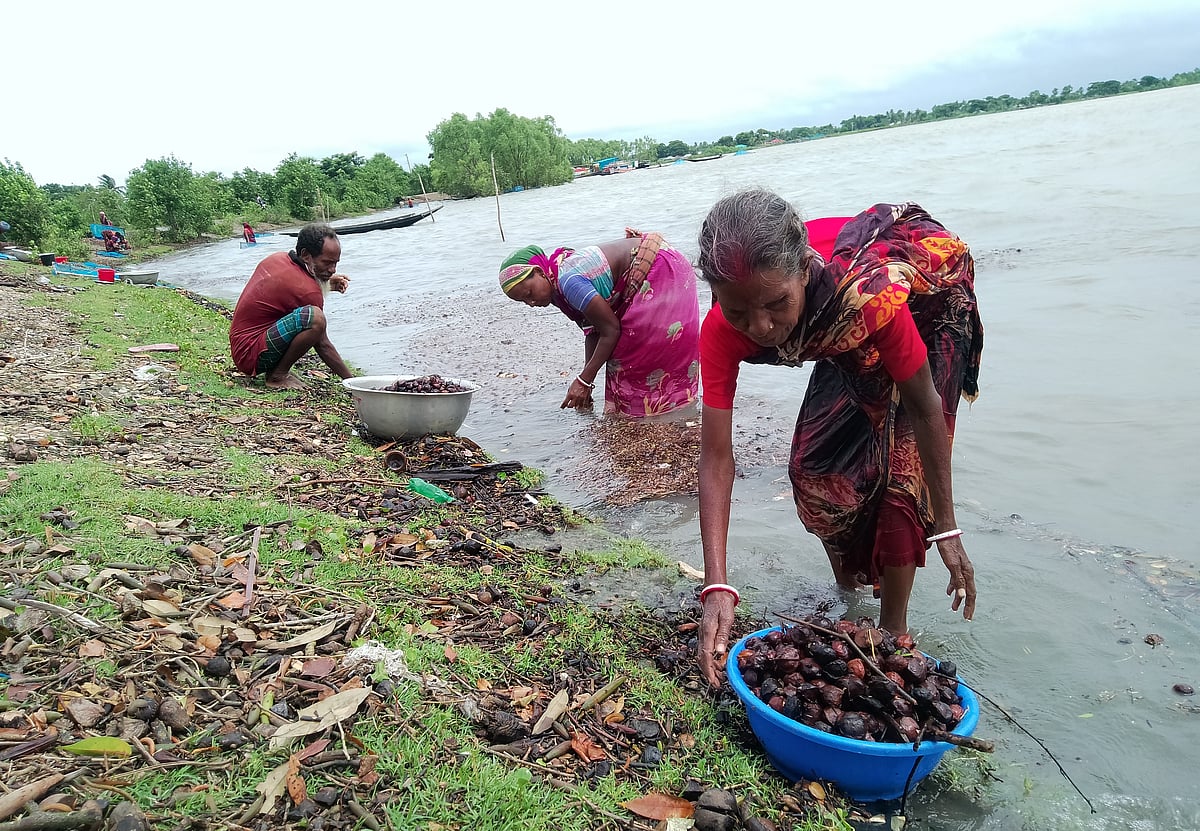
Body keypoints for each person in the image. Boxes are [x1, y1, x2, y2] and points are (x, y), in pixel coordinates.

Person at [693, 190, 983, 687]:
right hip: (832, 326)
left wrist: (948, 526)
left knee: (901, 480)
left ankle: (894, 631)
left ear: (805, 270)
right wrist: (716, 584)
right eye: (739, 312)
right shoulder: (723, 329)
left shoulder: (867, 299)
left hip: (923, 313)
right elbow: (716, 455)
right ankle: (848, 596)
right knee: (814, 468)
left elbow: (924, 404)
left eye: (775, 303)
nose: (761, 327)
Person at [499, 228, 700, 417]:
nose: (531, 302)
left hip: (661, 269)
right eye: (524, 302)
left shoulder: (569, 281)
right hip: (662, 260)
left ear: (540, 272)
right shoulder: (558, 286)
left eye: (529, 293)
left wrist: (584, 380)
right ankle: (667, 416)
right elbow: (593, 330)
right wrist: (585, 380)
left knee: (631, 357)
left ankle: (664, 416)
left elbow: (610, 330)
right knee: (622, 364)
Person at [229, 223, 354, 390]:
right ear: (305, 255)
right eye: (327, 263)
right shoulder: (307, 292)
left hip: (242, 346)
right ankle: (277, 376)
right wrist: (352, 381)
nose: (333, 270)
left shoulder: (279, 258)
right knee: (315, 318)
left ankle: (276, 371)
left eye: (335, 263)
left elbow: (291, 291)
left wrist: (326, 283)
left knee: (309, 317)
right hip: (250, 354)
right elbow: (321, 342)